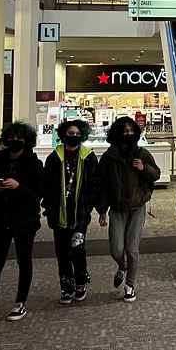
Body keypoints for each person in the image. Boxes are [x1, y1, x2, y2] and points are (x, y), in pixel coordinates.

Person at [0, 121, 45, 333]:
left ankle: (20, 302)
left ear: (27, 141)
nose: (14, 141)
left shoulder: (33, 164)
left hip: (24, 220)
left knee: (24, 261)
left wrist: (18, 187)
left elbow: (37, 195)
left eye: (19, 138)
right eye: (11, 137)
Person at [96, 116, 161, 302]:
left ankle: (130, 285)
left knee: (132, 249)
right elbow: (102, 185)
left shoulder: (142, 153)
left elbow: (155, 174)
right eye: (125, 131)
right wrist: (102, 210)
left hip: (137, 207)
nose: (129, 134)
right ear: (117, 133)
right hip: (117, 208)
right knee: (116, 249)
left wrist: (143, 168)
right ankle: (122, 267)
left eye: (132, 130)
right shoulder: (109, 157)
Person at [42, 119, 104, 305]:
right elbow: (47, 185)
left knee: (77, 248)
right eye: (71, 133)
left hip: (81, 213)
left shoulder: (88, 157)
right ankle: (66, 285)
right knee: (61, 251)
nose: (74, 136)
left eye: (77, 134)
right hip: (59, 212)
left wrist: (93, 203)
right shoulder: (54, 157)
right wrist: (48, 207)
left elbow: (95, 183)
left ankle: (80, 280)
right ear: (63, 134)